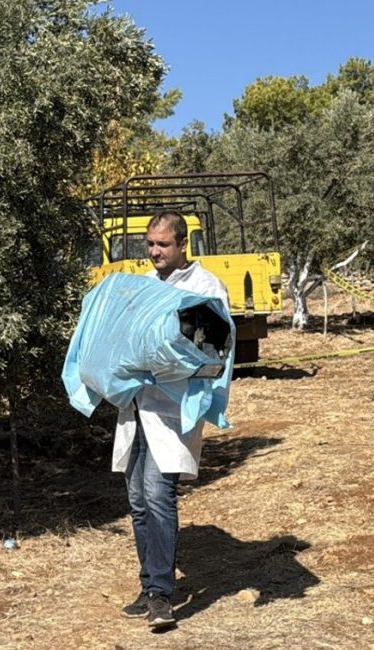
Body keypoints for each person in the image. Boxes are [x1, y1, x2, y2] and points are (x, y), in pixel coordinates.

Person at [114, 211, 229, 630]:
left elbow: (215, 352)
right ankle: (148, 586)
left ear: (183, 245)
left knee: (158, 495)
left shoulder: (205, 287)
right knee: (138, 500)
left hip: (174, 409)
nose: (155, 251)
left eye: (163, 244)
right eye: (150, 244)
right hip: (137, 405)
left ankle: (162, 594)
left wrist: (167, 367)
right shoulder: (144, 286)